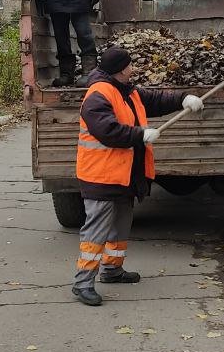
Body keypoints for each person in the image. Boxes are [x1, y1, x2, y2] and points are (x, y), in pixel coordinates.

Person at [71, 46, 204, 306]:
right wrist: (139, 135)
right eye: (130, 65)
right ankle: (83, 282)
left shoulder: (126, 90)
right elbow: (106, 130)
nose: (133, 69)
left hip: (124, 175)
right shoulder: (98, 96)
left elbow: (155, 99)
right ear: (121, 69)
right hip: (101, 176)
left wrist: (184, 98)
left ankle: (112, 270)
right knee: (96, 230)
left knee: (121, 225)